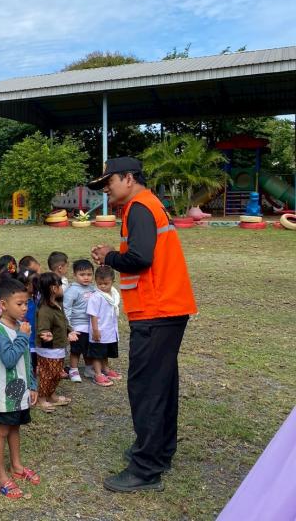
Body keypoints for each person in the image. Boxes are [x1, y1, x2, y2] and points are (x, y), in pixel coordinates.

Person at [89, 157, 197, 492]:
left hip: (156, 311)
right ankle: (158, 453)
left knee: (146, 389)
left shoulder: (138, 208)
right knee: (161, 385)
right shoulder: (149, 204)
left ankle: (146, 469)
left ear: (128, 178)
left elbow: (140, 258)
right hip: (166, 309)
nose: (106, 190)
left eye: (109, 182)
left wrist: (109, 256)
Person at [0, 278, 39, 500]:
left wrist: (32, 384)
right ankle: (0, 476)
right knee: (2, 431)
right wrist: (23, 337)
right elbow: (9, 359)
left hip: (20, 391)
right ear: (3, 304)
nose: (24, 308)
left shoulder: (20, 327)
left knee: (15, 426)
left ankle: (17, 466)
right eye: (19, 304)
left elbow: (26, 359)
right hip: (4, 394)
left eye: (26, 303)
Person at [34, 272, 77, 413]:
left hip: (58, 347)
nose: (62, 288)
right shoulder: (45, 310)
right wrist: (46, 335)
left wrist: (70, 331)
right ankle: (41, 399)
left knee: (57, 373)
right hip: (49, 349)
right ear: (53, 288)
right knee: (48, 375)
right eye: (60, 285)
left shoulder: (58, 303)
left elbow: (64, 321)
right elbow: (42, 329)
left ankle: (51, 395)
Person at [87, 265, 122, 387]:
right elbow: (93, 315)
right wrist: (95, 330)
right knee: (97, 354)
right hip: (99, 330)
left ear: (112, 281)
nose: (102, 286)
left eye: (106, 284)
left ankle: (105, 369)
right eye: (99, 284)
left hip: (109, 330)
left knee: (105, 352)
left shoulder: (114, 295)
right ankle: (98, 374)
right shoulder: (96, 296)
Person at [63, 260, 96, 383]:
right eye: (82, 275)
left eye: (89, 274)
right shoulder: (72, 290)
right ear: (74, 275)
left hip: (90, 325)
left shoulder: (93, 289)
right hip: (77, 326)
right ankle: (73, 369)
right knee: (76, 350)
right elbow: (66, 309)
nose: (86, 277)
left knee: (89, 349)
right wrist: (69, 328)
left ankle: (88, 368)